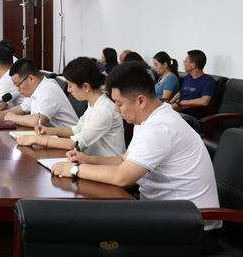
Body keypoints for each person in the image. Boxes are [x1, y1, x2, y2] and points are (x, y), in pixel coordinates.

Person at [50, 62, 220, 233]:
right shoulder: (148, 119)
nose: (116, 109)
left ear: (140, 101)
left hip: (189, 226)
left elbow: (122, 177)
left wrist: (75, 169)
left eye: (119, 104)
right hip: (166, 212)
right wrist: (89, 160)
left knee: (93, 227)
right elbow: (123, 161)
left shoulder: (160, 128)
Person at [15, 57, 125, 157]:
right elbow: (77, 129)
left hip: (105, 166)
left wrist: (36, 139)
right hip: (89, 159)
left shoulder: (104, 109)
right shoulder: (94, 102)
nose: (68, 90)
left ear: (86, 86)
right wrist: (50, 131)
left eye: (71, 86)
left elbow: (75, 143)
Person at [0, 58, 78, 128]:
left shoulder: (48, 90)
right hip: (53, 135)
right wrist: (4, 114)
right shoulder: (35, 89)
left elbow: (37, 121)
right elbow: (23, 109)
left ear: (31, 79)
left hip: (68, 139)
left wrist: (13, 117)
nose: (18, 89)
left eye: (18, 85)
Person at [169, 49, 216, 116]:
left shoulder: (208, 80)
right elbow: (181, 92)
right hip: (180, 111)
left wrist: (181, 103)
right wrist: (170, 103)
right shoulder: (188, 77)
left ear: (193, 65)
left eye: (185, 61)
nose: (184, 64)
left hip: (190, 115)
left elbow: (204, 101)